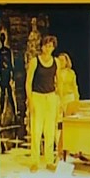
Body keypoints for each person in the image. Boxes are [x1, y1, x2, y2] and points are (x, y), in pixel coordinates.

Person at [27, 34, 62, 168]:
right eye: (46, 46)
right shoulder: (35, 61)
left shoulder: (56, 62)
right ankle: (34, 161)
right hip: (37, 96)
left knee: (50, 130)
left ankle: (49, 160)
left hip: (51, 97)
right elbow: (28, 83)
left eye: (51, 46)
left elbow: (59, 81)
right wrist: (30, 100)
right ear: (42, 47)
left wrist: (60, 100)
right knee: (36, 130)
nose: (48, 48)